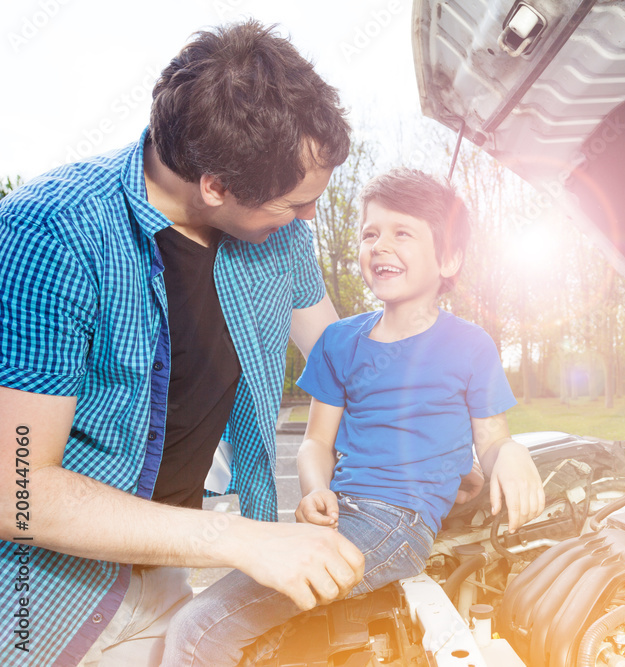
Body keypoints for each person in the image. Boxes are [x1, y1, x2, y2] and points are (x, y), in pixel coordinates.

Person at [0, 21, 366, 666]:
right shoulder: (52, 233)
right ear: (216, 187)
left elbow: (345, 362)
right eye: (290, 204)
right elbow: (17, 489)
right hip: (45, 596)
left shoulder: (279, 236)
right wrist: (242, 540)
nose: (309, 217)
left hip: (172, 568)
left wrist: (464, 437)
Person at [163, 167, 546, 665]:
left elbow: (493, 441)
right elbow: (316, 443)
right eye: (370, 233)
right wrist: (315, 488)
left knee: (199, 626)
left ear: (448, 258)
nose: (380, 245)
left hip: (396, 524)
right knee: (266, 638)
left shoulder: (470, 346)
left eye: (402, 232)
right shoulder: (339, 342)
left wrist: (512, 454)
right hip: (340, 515)